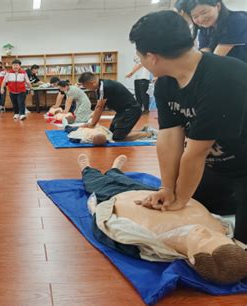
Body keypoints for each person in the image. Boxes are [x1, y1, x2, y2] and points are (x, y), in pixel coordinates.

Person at [129, 11, 247, 244]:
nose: (140, 62)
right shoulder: (165, 83)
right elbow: (169, 139)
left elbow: (195, 153)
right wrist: (167, 189)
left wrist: (180, 198)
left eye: (138, 57)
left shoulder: (224, 76)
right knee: (193, 216)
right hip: (218, 166)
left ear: (151, 57)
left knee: (241, 247)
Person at [76, 153, 247, 285]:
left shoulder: (157, 247)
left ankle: (86, 168)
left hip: (115, 197)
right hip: (155, 196)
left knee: (95, 182)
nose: (204, 231)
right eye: (214, 236)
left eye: (203, 239)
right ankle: (115, 169)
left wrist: (100, 210)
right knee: (123, 179)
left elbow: (114, 232)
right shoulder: (223, 229)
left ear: (192, 260)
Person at [78, 72, 150, 141]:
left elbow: (99, 107)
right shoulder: (101, 86)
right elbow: (98, 107)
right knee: (111, 133)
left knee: (117, 138)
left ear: (92, 83)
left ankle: (147, 134)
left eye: (86, 87)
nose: (87, 89)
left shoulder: (104, 87)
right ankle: (143, 130)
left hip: (131, 111)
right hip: (123, 111)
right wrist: (90, 122)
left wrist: (92, 124)